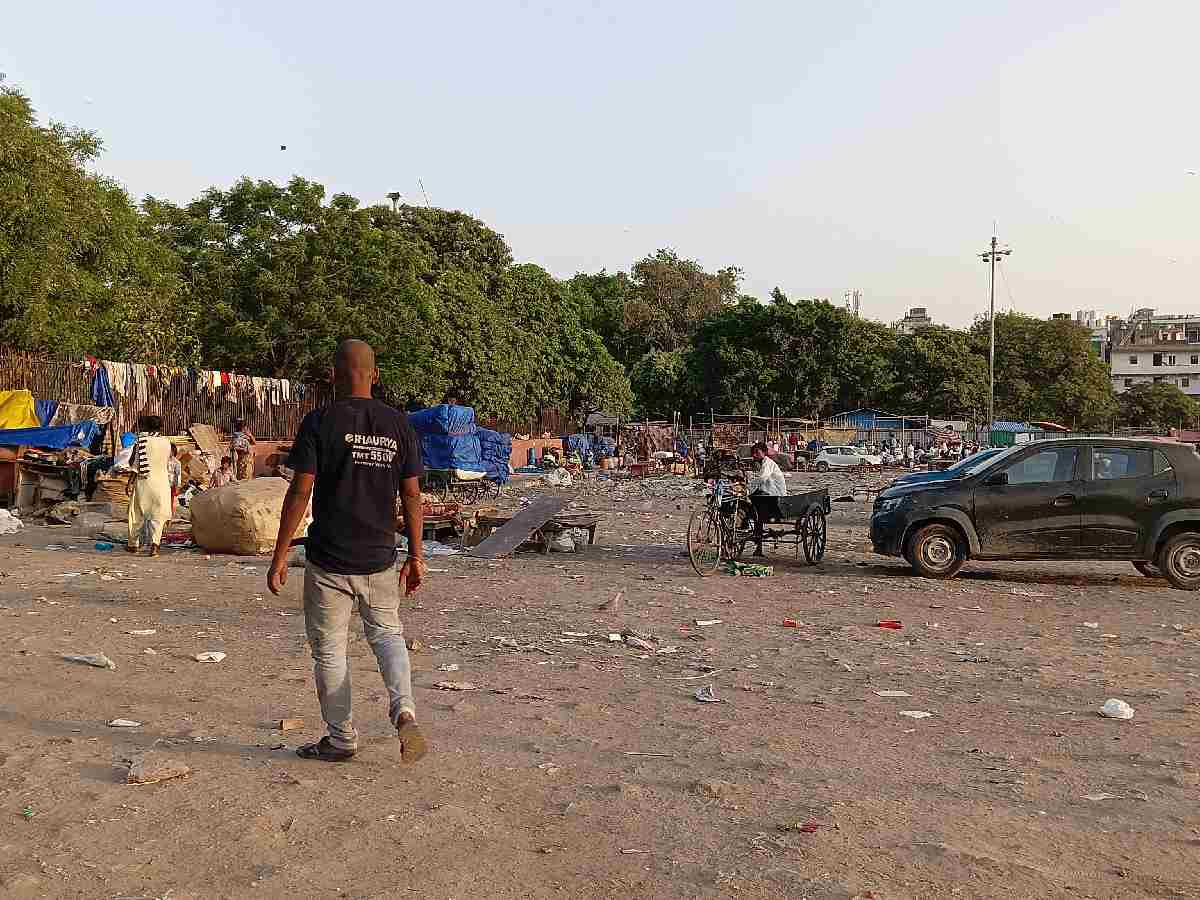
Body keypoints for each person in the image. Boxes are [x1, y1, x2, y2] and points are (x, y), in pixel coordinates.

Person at [268, 339, 428, 765]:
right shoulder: (400, 425)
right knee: (388, 636)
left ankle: (341, 738)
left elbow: (301, 490)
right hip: (380, 557)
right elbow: (412, 496)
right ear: (375, 375)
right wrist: (416, 555)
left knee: (330, 652)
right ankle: (404, 710)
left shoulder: (320, 421)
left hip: (329, 560)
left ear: (334, 375)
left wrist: (281, 553)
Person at [126, 416, 172, 557]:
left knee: (136, 513)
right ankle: (155, 546)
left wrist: (129, 482)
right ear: (160, 427)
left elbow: (135, 464)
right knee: (158, 516)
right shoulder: (167, 442)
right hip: (163, 483)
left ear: (146, 426)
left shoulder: (142, 442)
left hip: (144, 481)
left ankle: (133, 544)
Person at [167, 444, 182, 516]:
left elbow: (178, 475)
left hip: (172, 484)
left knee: (171, 501)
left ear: (173, 452)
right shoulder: (164, 461)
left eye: (170, 451)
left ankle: (170, 516)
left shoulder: (177, 463)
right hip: (164, 484)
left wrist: (177, 486)